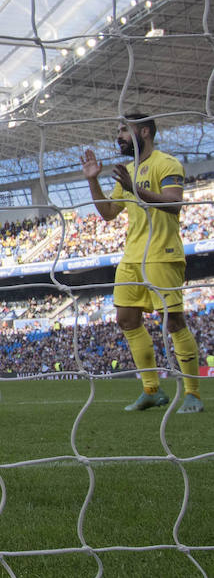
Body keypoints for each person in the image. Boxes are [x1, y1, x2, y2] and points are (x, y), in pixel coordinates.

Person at [81, 114, 202, 413]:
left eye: (124, 129)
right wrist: (93, 180)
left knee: (173, 322)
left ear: (143, 131)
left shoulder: (167, 163)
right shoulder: (128, 172)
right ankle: (151, 390)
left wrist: (136, 189)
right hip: (132, 257)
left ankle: (193, 393)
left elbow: (174, 203)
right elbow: (109, 212)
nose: (118, 136)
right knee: (126, 319)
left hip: (163, 253)